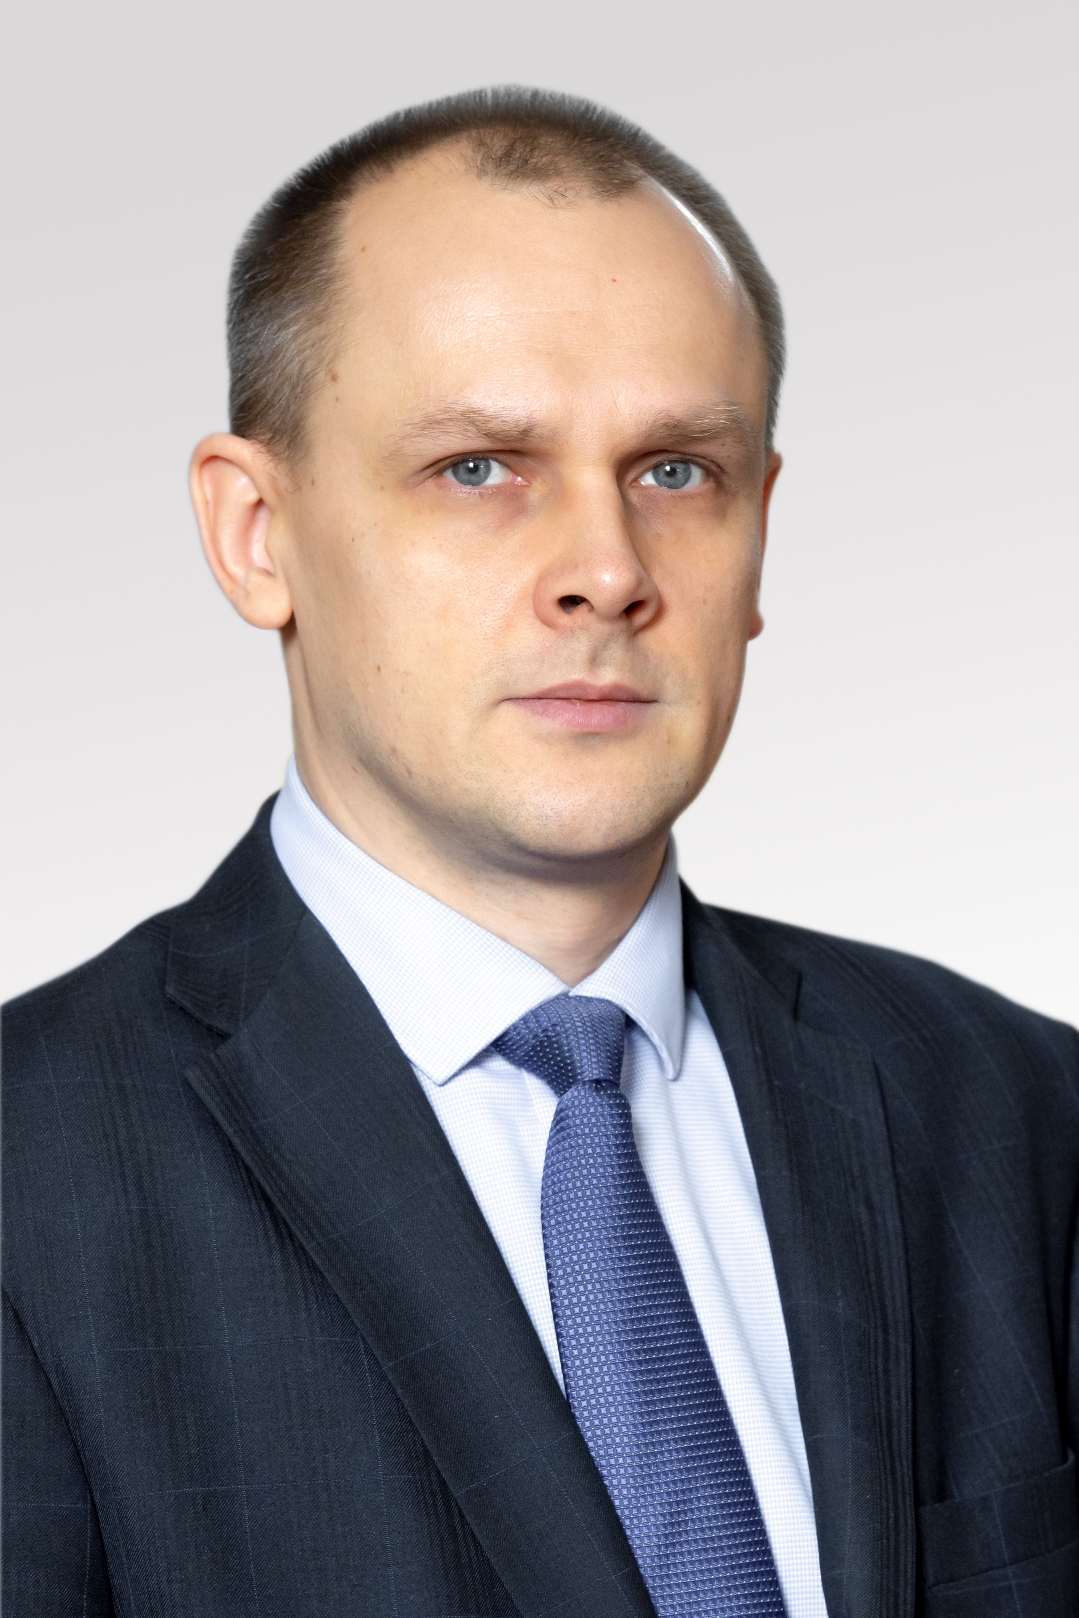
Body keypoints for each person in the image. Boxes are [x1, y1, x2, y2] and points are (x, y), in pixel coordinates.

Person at [3, 85, 1076, 1618]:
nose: (607, 569)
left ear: (761, 532)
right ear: (256, 533)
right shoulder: (31, 1182)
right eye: (480, 466)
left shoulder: (1021, 1113)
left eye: (676, 469)